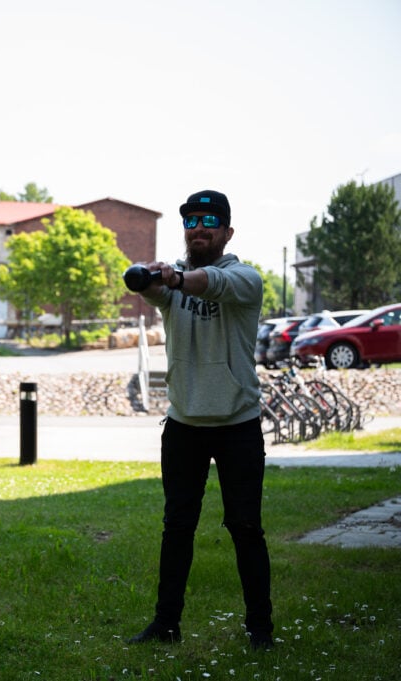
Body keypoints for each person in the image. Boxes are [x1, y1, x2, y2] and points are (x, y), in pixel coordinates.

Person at [126, 189, 274, 650]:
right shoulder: (173, 283)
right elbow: (155, 290)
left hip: (238, 425)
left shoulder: (245, 278)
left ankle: (260, 630)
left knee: (245, 528)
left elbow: (209, 283)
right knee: (177, 526)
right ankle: (166, 624)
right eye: (191, 220)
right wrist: (149, 276)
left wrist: (171, 275)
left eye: (209, 220)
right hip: (184, 424)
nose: (199, 227)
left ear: (227, 232)